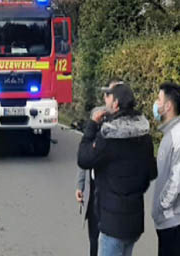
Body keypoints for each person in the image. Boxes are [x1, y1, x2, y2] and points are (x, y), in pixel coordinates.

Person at [77, 83, 157, 256]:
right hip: (134, 221)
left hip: (112, 223)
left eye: (109, 97)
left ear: (116, 104)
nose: (106, 102)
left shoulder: (110, 136)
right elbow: (151, 172)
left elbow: (83, 159)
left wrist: (91, 126)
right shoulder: (144, 136)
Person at [75, 79, 124, 256]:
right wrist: (80, 185)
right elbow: (85, 153)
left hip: (113, 191)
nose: (106, 97)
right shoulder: (97, 116)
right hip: (95, 188)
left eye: (109, 94)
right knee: (94, 237)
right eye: (106, 93)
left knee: (111, 241)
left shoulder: (126, 124)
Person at [151, 82, 180, 256]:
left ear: (168, 106)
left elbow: (175, 183)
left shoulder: (179, 137)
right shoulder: (170, 134)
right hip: (168, 223)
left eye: (159, 99)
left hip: (175, 224)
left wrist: (161, 208)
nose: (156, 104)